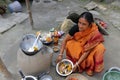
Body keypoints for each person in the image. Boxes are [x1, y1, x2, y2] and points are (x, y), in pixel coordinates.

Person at [56, 12, 106, 76]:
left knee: (100, 48)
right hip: (80, 44)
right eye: (79, 23)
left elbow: (87, 51)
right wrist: (60, 54)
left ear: (89, 24)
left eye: (84, 24)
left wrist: (77, 64)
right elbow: (65, 40)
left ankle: (90, 67)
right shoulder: (75, 28)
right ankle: (80, 61)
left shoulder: (94, 32)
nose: (80, 26)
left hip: (88, 48)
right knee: (69, 44)